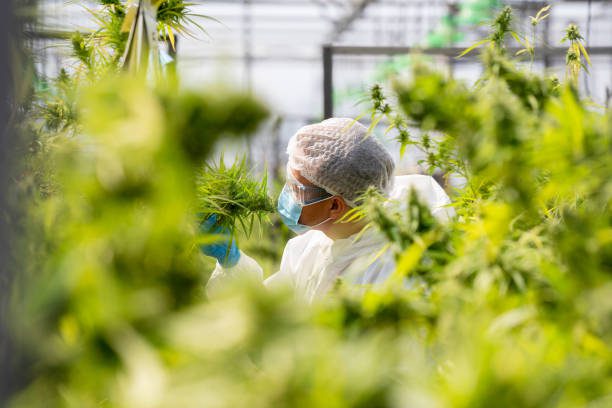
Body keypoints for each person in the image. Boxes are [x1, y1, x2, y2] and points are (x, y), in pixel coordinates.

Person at [202, 118, 454, 302]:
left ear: (335, 204)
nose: (286, 194)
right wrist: (231, 262)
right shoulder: (312, 247)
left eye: (296, 188)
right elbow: (266, 310)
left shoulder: (393, 269)